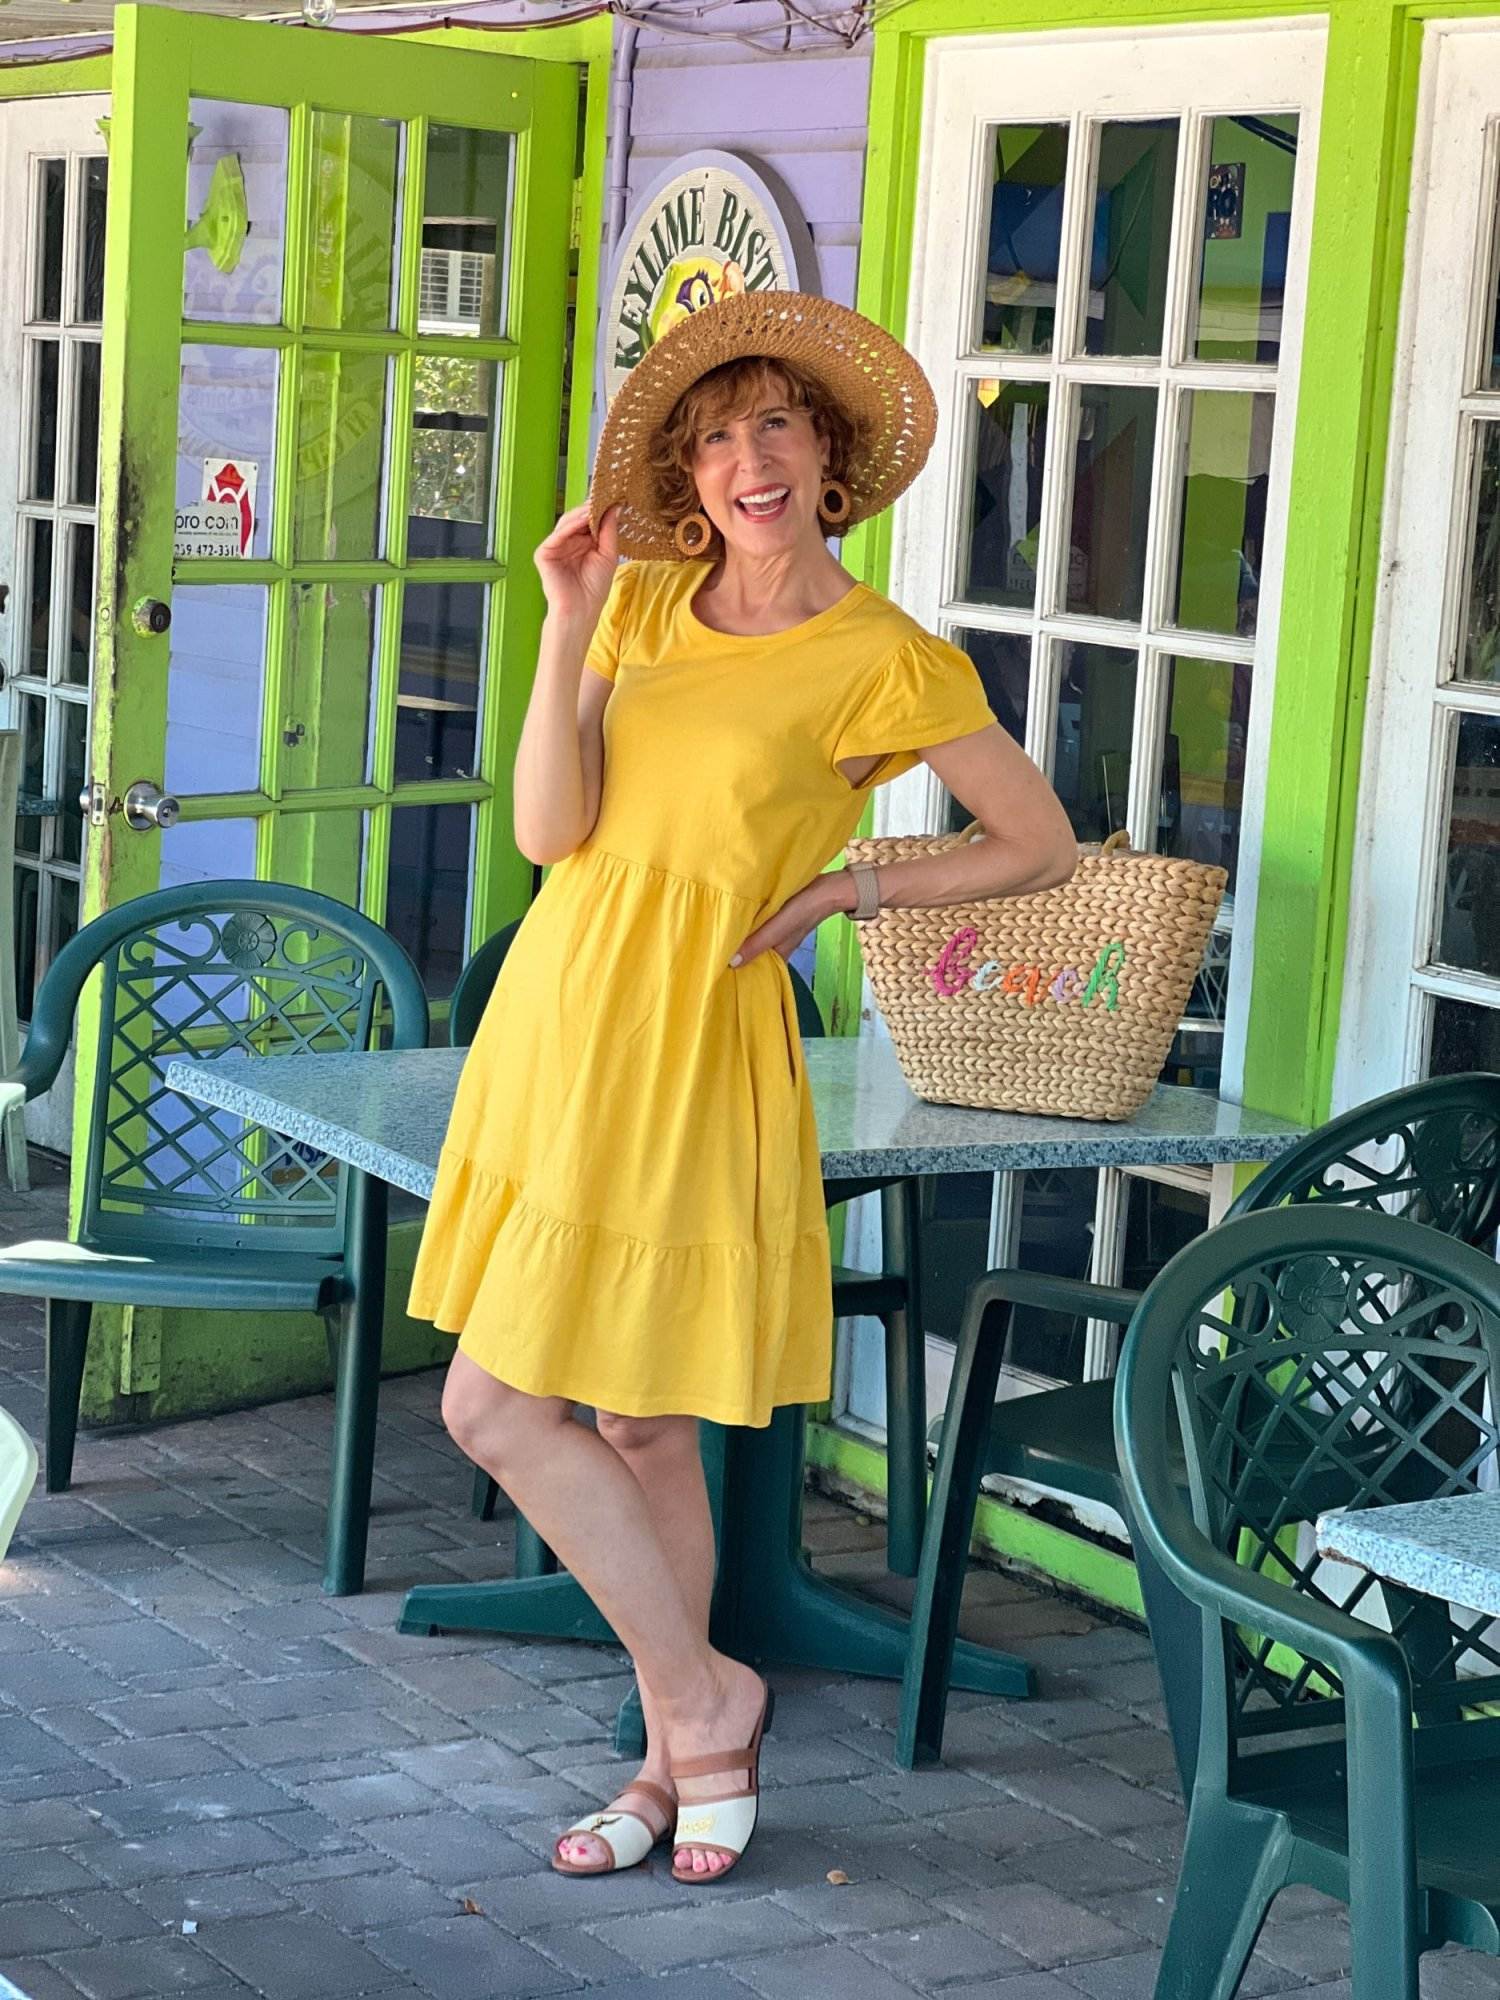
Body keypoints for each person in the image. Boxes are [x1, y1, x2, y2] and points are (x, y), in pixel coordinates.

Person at [408, 291, 1076, 1885]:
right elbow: (548, 836)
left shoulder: (882, 658)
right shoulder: (640, 604)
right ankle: (694, 1722)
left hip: (697, 1036)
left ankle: (689, 1729)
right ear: (690, 476)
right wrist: (567, 618)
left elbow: (1037, 841)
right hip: (564, 1017)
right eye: (716, 436)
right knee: (535, 1405)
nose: (746, 461)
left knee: (621, 1416)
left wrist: (851, 891)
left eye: (777, 425)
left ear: (830, 456)